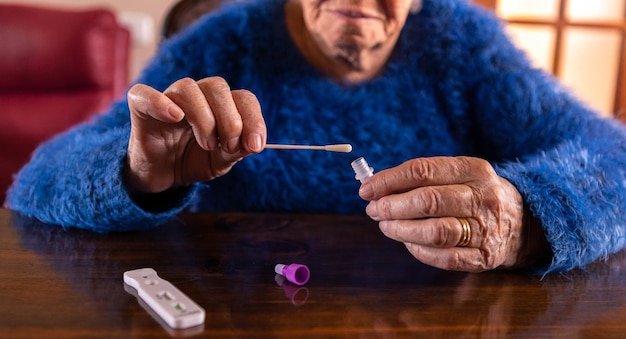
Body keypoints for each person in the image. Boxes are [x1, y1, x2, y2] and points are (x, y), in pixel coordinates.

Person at [5, 0, 625, 274]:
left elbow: (615, 162)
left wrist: (530, 215)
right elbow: (36, 182)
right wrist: (136, 173)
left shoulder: (464, 42)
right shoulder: (227, 39)